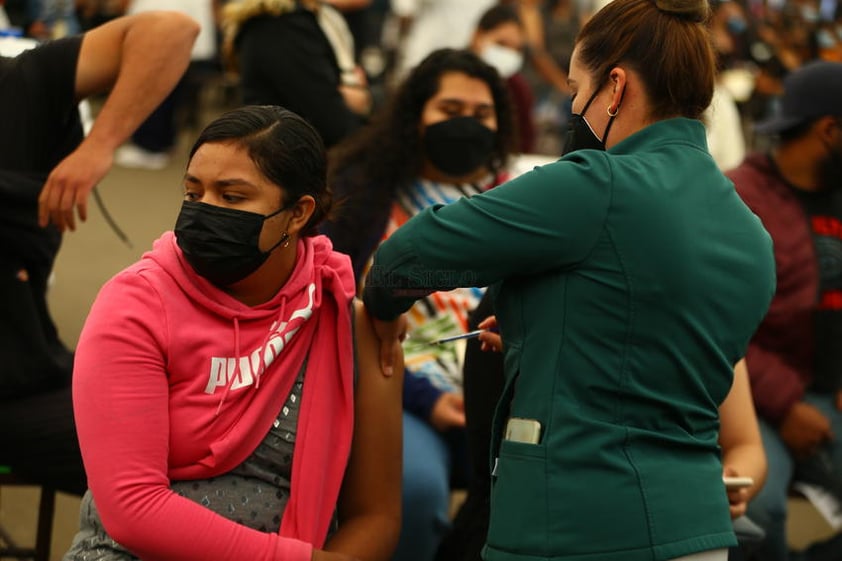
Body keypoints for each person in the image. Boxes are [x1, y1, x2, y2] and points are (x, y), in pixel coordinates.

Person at [362, 0, 779, 558]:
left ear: (614, 86)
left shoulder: (595, 185)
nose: (572, 106)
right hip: (697, 529)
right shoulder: (750, 230)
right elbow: (648, 349)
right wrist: (539, 336)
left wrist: (385, 309)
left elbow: (406, 259)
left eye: (575, 87)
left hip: (573, 523)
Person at [62, 105, 402, 561]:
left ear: (298, 212)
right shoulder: (136, 306)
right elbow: (132, 509)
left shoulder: (345, 323)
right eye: (193, 192)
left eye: (232, 197)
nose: (204, 211)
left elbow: (376, 517)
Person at [323, 47, 518, 561]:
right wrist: (424, 399)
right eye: (450, 112)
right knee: (414, 492)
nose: (467, 126)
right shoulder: (361, 196)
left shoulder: (520, 202)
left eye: (481, 115)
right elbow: (332, 311)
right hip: (396, 390)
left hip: (503, 395)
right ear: (415, 118)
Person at [0, 9, 199, 495]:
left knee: (204, 437)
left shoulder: (18, 85)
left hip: (24, 369)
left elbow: (171, 30)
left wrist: (99, 144)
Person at [726, 59, 842, 561]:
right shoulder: (738, 199)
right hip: (753, 401)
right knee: (757, 511)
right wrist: (785, 403)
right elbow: (713, 323)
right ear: (829, 131)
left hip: (829, 398)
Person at [221, 0, 372, 148]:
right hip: (287, 155)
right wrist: (358, 102)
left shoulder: (300, 16)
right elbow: (331, 121)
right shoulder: (281, 24)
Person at [468, 3, 536, 154]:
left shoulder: (518, 88)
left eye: (516, 49)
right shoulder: (450, 75)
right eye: (501, 44)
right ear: (477, 36)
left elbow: (525, 141)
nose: (508, 54)